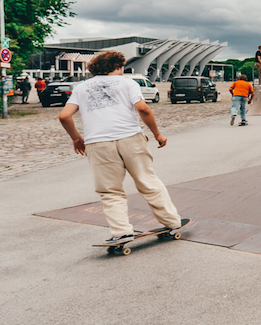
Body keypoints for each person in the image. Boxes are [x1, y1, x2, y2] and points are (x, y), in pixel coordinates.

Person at [57, 50, 186, 247]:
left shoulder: (81, 87)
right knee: (148, 181)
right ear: (117, 66)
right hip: (130, 138)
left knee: (110, 191)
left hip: (98, 143)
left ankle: (121, 232)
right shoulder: (128, 83)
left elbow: (64, 116)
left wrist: (76, 139)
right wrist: (157, 134)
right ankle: (171, 221)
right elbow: (143, 108)